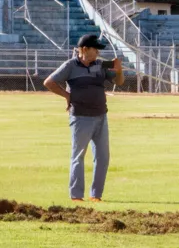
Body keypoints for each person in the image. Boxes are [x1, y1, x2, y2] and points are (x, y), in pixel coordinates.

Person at [43, 34, 124, 203]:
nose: (98, 53)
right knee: (78, 156)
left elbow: (119, 81)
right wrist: (67, 96)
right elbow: (49, 82)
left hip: (101, 116)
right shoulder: (70, 66)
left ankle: (96, 195)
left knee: (103, 157)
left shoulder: (100, 65)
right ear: (85, 49)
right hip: (80, 117)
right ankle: (76, 196)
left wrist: (119, 69)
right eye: (95, 50)